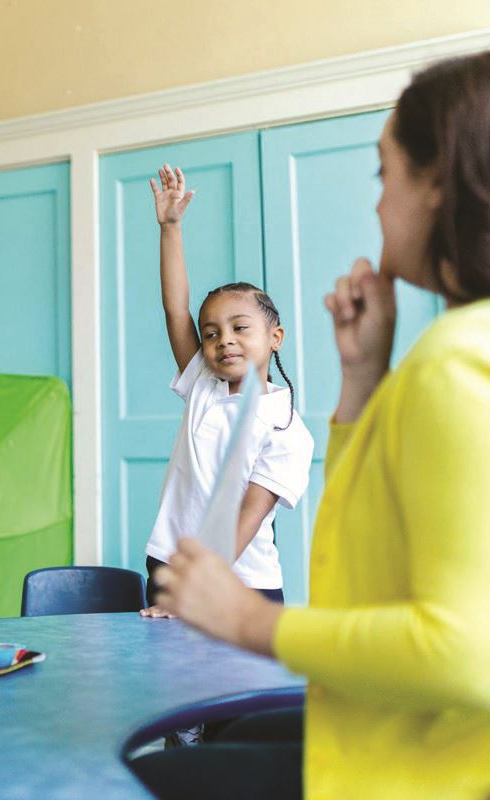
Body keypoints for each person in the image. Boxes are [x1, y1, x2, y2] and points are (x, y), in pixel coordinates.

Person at [141, 51, 490, 799]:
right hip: (384, 727)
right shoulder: (453, 356)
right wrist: (362, 377)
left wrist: (250, 621)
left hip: (413, 769)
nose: (378, 205)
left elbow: (468, 652)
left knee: (145, 777)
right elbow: (374, 535)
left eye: (384, 175)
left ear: (437, 184)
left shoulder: (457, 366)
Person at [141, 164, 313, 618]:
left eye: (240, 328)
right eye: (211, 333)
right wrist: (170, 228)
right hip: (170, 565)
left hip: (241, 584)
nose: (224, 341)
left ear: (275, 337)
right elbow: (175, 308)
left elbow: (247, 518)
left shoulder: (287, 428)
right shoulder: (203, 383)